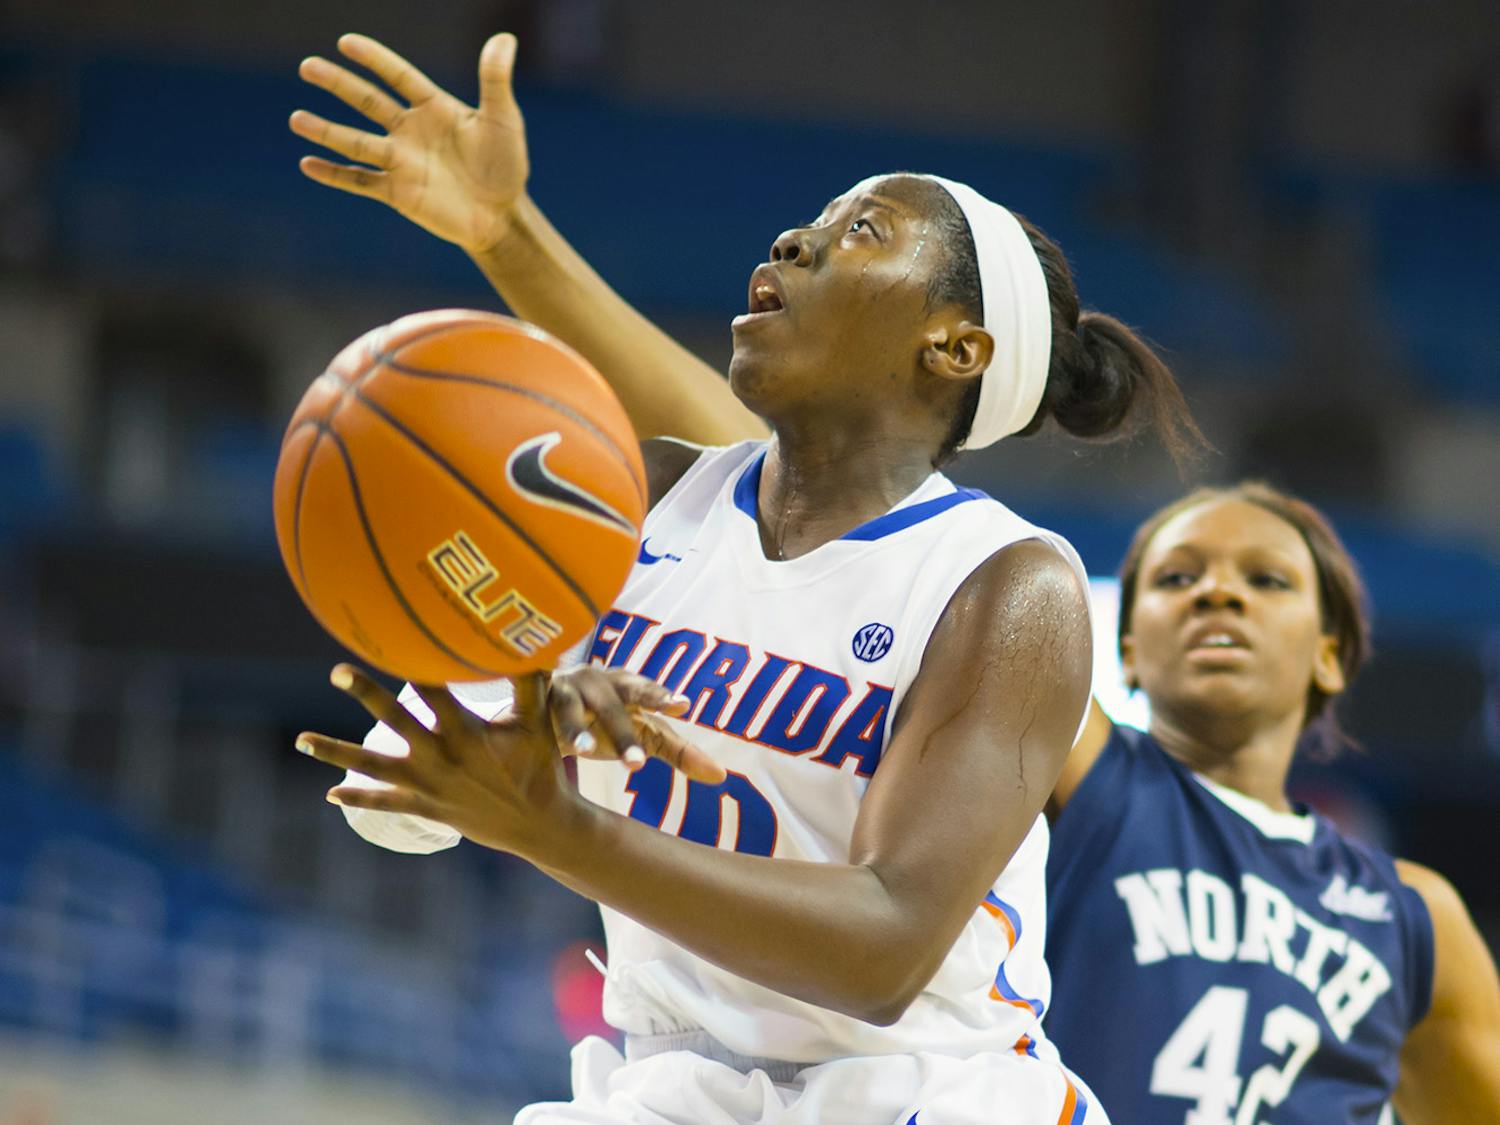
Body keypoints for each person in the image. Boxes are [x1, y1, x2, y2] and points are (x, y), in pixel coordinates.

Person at [289, 31, 1198, 1125]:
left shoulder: (1004, 584)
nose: (795, 240)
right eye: (810, 223)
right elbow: (409, 796)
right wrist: (510, 749)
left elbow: (885, 945)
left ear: (957, 348)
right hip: (673, 1084)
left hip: (928, 1093)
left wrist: (557, 826)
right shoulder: (645, 495)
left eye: (859, 232)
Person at [1043, 485, 1500, 1124]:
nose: (1218, 594)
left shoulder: (1418, 917)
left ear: (1329, 655)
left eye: (1268, 579)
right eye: (1177, 577)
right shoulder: (1080, 775)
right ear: (1127, 651)